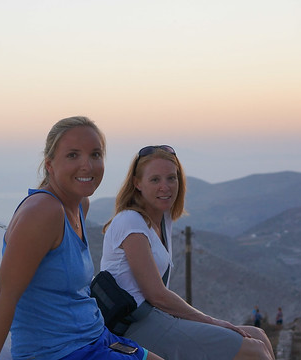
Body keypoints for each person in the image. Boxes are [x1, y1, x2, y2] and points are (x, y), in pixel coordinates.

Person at [0, 117, 162, 360]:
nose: (87, 165)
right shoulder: (42, 212)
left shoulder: (80, 206)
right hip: (59, 352)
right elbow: (4, 296)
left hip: (96, 337)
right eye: (73, 155)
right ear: (50, 164)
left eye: (95, 154)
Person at [100, 145, 275, 360]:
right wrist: (212, 321)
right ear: (137, 183)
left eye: (171, 178)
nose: (165, 187)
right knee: (254, 351)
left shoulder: (162, 220)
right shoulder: (130, 221)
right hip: (135, 325)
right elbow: (156, 295)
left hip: (156, 318)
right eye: (155, 180)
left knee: (258, 334)